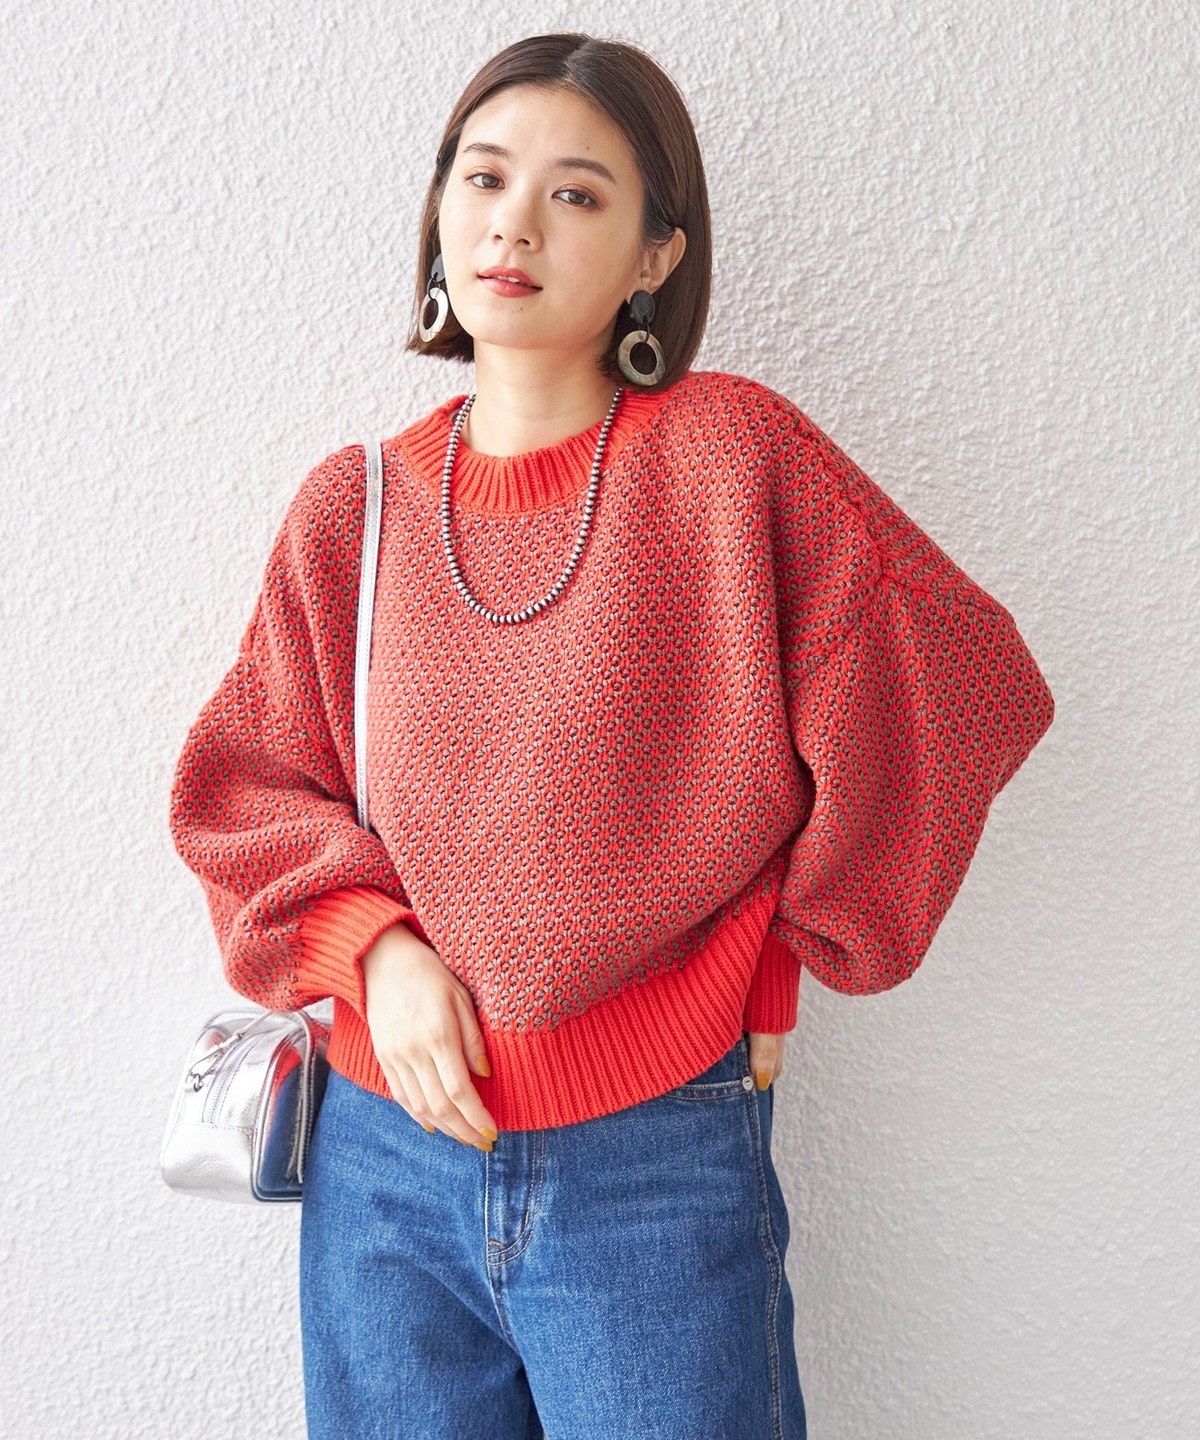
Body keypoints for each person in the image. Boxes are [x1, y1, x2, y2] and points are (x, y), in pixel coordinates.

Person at [169, 31, 1054, 1440]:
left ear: (656, 255)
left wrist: (788, 958)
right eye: (483, 178)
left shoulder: (732, 461)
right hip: (384, 1168)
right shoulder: (354, 511)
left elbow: (957, 679)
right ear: (440, 213)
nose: (513, 222)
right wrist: (373, 951)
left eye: (576, 193)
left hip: (656, 1160)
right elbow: (242, 792)